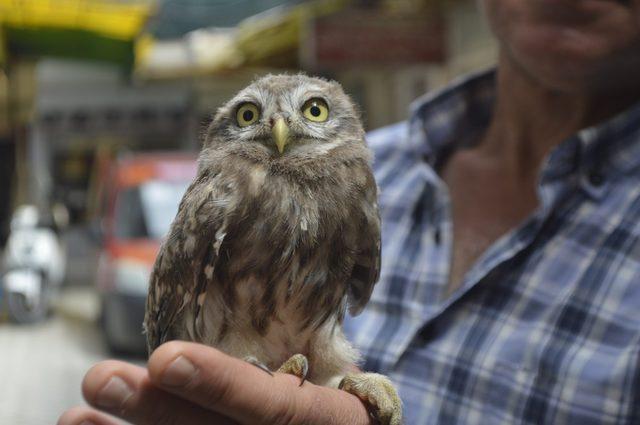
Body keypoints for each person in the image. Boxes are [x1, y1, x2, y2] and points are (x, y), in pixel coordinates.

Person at [59, 1, 640, 424]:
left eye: (312, 110)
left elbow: (324, 331)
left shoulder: (359, 184)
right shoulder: (224, 190)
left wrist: (341, 381)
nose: (279, 130)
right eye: (247, 118)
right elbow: (179, 327)